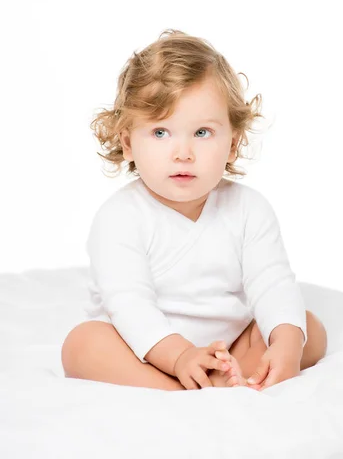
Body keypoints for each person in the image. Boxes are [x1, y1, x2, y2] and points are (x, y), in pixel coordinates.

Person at [61, 29, 327, 392]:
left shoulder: (249, 209)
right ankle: (175, 387)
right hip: (142, 348)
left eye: (202, 133)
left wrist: (285, 344)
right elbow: (129, 303)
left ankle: (224, 376)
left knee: (306, 329)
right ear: (128, 143)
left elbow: (271, 283)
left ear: (233, 144)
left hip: (227, 345)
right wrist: (180, 356)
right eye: (160, 133)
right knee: (82, 345)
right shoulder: (120, 217)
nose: (182, 152)